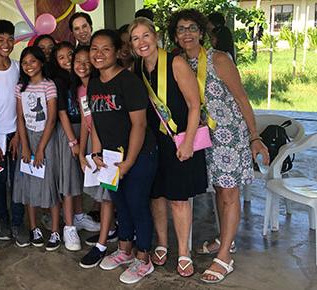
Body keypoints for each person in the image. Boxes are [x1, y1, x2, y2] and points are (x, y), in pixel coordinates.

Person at [167, 9, 269, 283]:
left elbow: (242, 98)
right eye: (181, 29)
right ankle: (226, 239)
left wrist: (254, 136)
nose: (186, 33)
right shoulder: (176, 63)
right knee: (217, 192)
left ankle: (224, 256)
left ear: (201, 31)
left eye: (191, 27)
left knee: (228, 194)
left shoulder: (218, 59)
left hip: (228, 136)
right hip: (201, 138)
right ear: (175, 36)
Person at [130, 17, 207, 278]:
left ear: (156, 36)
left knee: (178, 199)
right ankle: (162, 243)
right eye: (135, 38)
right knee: (157, 196)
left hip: (179, 141)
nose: (142, 42)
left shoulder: (175, 62)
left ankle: (184, 251)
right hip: (153, 144)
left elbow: (195, 105)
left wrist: (188, 142)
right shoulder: (137, 68)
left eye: (145, 36)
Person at [87, 29, 158, 284]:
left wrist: (128, 162)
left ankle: (143, 258)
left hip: (138, 156)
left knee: (138, 205)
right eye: (94, 48)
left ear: (117, 52)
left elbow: (139, 125)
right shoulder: (93, 83)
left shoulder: (129, 82)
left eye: (106, 49)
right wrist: (95, 152)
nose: (99, 54)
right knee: (120, 205)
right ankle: (125, 250)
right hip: (109, 159)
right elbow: (95, 122)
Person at [52, 42, 101, 251]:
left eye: (69, 55)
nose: (67, 60)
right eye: (61, 57)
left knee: (79, 177)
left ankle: (79, 217)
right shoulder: (59, 82)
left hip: (86, 129)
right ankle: (69, 227)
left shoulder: (81, 81)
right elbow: (62, 112)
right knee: (69, 180)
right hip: (68, 133)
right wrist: (72, 141)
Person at [12, 46, 61, 251]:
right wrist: (25, 146)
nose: (28, 65)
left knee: (50, 183)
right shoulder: (20, 87)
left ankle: (56, 230)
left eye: (33, 61)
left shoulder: (48, 85)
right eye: (24, 62)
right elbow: (21, 118)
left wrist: (40, 149)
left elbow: (51, 119)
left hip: (46, 139)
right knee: (28, 184)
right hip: (27, 139)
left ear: (41, 62)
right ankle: (34, 228)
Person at [0, 19, 30, 247]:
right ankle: (2, 220)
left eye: (10, 39)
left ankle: (18, 222)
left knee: (18, 181)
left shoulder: (18, 68)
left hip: (17, 133)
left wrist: (19, 136)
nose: (6, 43)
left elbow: (22, 103)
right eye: (0, 39)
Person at [73, 45, 118, 269]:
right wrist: (82, 152)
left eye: (86, 61)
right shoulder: (81, 90)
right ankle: (107, 231)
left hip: (107, 145)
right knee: (101, 194)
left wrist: (96, 151)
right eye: (77, 62)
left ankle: (102, 244)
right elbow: (86, 122)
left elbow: (100, 122)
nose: (82, 66)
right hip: (93, 144)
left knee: (108, 194)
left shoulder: (100, 85)